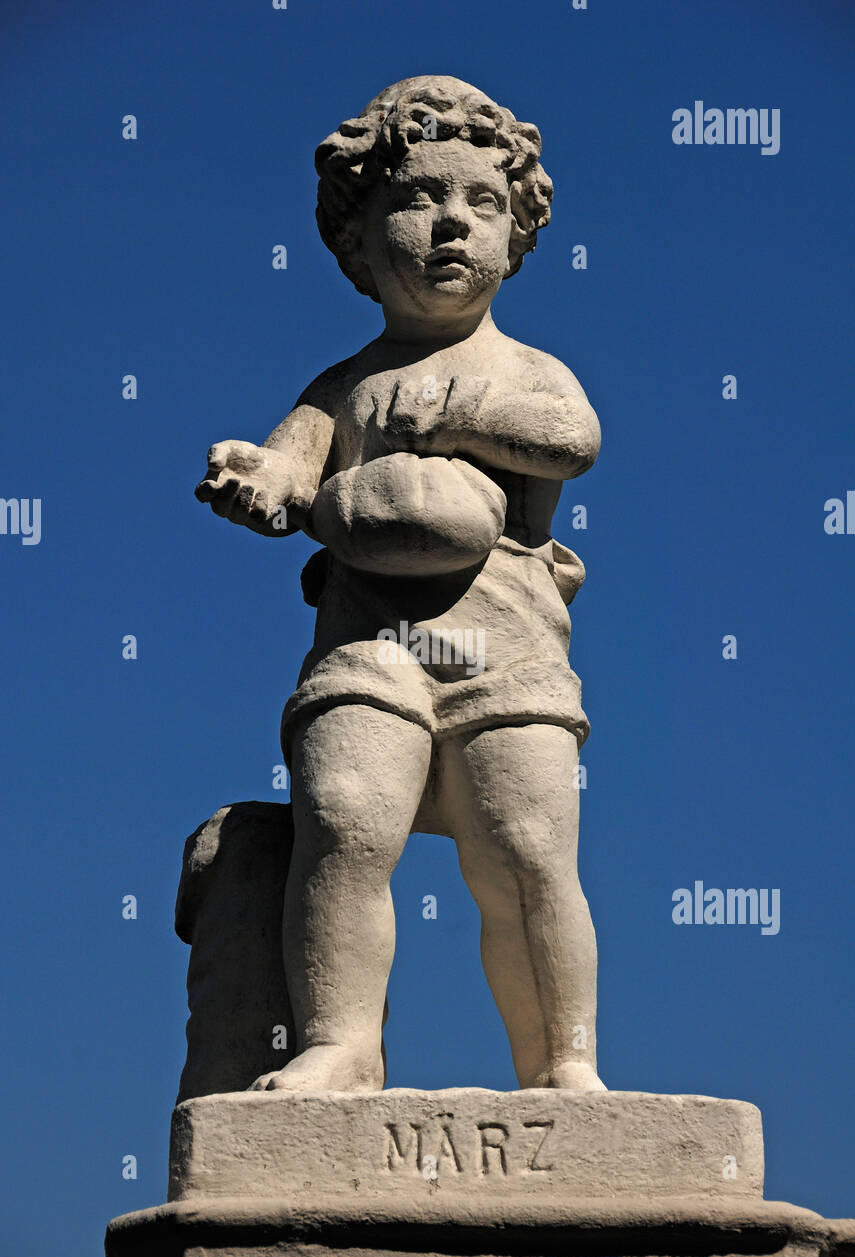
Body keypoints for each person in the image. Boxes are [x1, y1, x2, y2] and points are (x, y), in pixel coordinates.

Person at [196, 76, 604, 1093]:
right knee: (341, 819)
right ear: (359, 238)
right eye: (419, 201)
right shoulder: (338, 389)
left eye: (482, 205)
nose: (451, 226)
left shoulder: (524, 370)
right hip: (367, 642)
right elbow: (290, 475)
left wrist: (456, 419)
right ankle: (339, 1042)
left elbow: (571, 440)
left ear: (516, 236)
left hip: (502, 646)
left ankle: (561, 1065)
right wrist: (257, 480)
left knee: (523, 850)